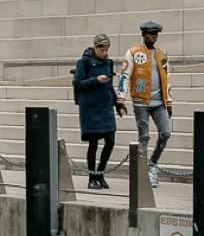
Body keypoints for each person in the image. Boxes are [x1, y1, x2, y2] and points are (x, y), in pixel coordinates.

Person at [118, 20, 173, 188]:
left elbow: (166, 77)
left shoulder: (162, 54)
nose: (153, 37)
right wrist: (121, 98)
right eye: (150, 34)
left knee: (166, 133)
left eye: (155, 34)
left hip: (159, 102)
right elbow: (124, 75)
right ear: (143, 35)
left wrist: (169, 100)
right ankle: (142, 171)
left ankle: (152, 164)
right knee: (144, 136)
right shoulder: (133, 52)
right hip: (141, 101)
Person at [73, 34, 127, 189]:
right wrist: (95, 80)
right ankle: (91, 178)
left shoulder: (108, 63)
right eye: (102, 49)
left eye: (107, 49)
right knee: (93, 144)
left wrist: (117, 103)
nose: (105, 52)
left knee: (110, 140)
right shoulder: (84, 63)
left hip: (105, 106)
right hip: (91, 108)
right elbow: (78, 83)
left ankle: (100, 173)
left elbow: (109, 86)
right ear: (95, 47)